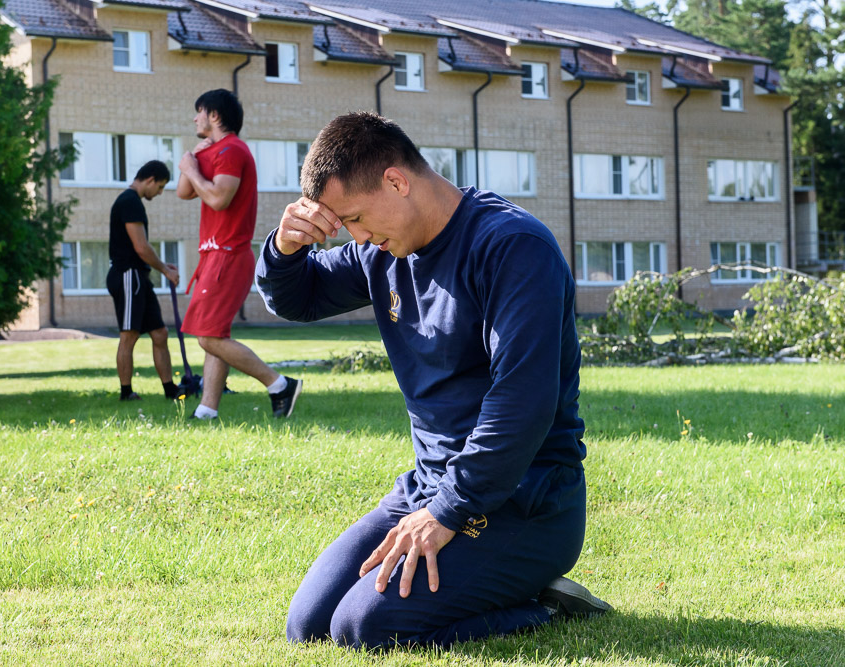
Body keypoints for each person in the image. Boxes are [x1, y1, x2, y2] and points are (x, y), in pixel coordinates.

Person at [255, 112, 612, 649]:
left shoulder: (513, 248)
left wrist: (448, 510)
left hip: (524, 499)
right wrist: (285, 250)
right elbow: (297, 297)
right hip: (426, 489)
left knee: (366, 628)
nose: (354, 237)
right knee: (308, 625)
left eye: (352, 218)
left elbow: (522, 403)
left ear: (396, 182)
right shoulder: (383, 251)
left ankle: (542, 604)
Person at [177, 89, 301, 420]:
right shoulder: (216, 150)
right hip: (214, 256)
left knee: (207, 336)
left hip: (228, 254)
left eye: (199, 111)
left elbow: (218, 198)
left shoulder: (232, 150)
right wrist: (195, 160)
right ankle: (207, 409)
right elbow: (183, 192)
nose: (194, 118)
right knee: (215, 335)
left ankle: (279, 385)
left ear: (214, 115)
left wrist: (190, 167)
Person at [106, 160, 182, 402]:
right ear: (150, 179)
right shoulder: (129, 201)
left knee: (159, 333)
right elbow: (141, 246)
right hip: (128, 275)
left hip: (139, 276)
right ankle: (126, 393)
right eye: (159, 187)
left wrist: (159, 266)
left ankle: (171, 390)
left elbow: (141, 248)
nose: (159, 193)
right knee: (129, 335)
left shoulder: (132, 202)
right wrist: (165, 270)